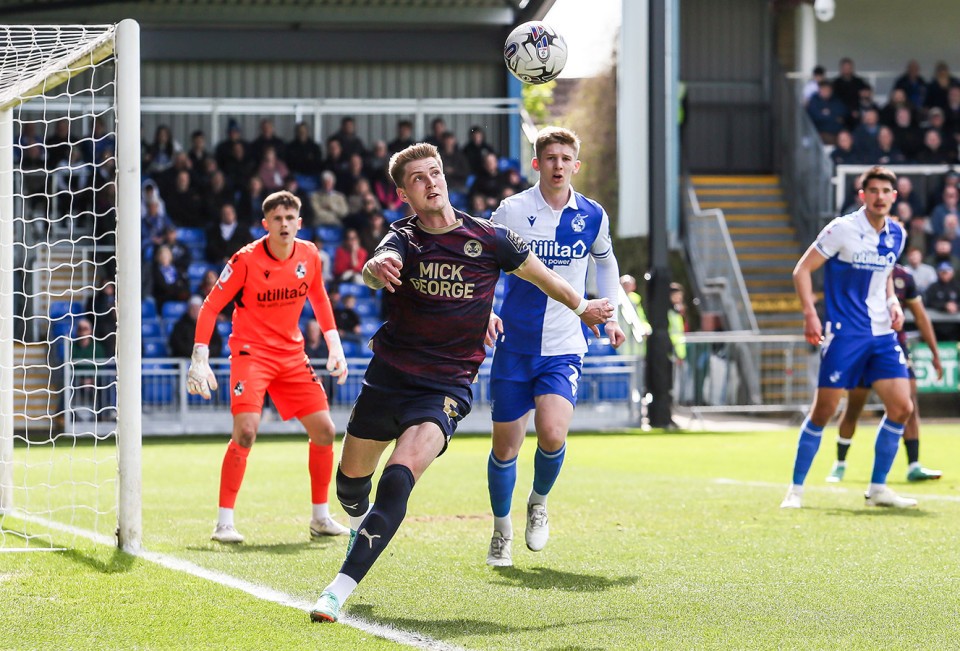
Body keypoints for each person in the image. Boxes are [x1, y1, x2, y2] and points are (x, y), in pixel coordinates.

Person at [308, 142, 613, 623]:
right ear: (403, 193)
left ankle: (337, 589)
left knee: (398, 480)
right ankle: (355, 522)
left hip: (445, 388)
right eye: (418, 178)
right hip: (389, 379)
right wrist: (373, 269)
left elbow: (543, 277)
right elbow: (374, 269)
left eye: (435, 172)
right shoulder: (402, 238)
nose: (431, 182)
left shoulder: (490, 237)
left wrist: (583, 308)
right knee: (350, 487)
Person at [483, 126, 625, 567]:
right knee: (506, 447)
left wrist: (613, 313)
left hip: (564, 345)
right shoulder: (512, 210)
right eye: (550, 158)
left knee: (552, 433)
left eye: (566, 158)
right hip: (515, 345)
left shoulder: (592, 215)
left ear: (576, 165)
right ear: (536, 163)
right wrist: (485, 310)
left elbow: (606, 261)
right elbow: (483, 260)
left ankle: (538, 502)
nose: (558, 165)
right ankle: (501, 530)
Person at [186, 190, 350, 543]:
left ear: (300, 222)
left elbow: (319, 297)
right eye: (277, 219)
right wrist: (199, 355)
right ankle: (224, 522)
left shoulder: (310, 254)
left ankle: (320, 517)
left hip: (292, 355)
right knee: (245, 431)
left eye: (290, 218)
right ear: (266, 224)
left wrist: (334, 345)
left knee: (325, 430)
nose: (284, 224)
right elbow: (211, 306)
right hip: (251, 353)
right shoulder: (245, 259)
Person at [781, 166, 915, 510]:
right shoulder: (842, 229)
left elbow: (884, 276)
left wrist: (892, 301)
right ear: (862, 195)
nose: (880, 197)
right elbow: (802, 270)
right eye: (873, 191)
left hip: (883, 334)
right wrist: (811, 314)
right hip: (846, 334)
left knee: (902, 407)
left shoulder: (897, 234)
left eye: (886, 191)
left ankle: (878, 488)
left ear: (894, 196)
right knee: (823, 412)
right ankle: (795, 490)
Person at [827, 263, 944, 484]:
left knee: (909, 405)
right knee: (854, 407)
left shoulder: (904, 276)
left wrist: (934, 352)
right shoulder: (860, 267)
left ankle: (914, 465)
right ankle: (840, 463)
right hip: (864, 346)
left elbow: (920, 316)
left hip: (894, 347)